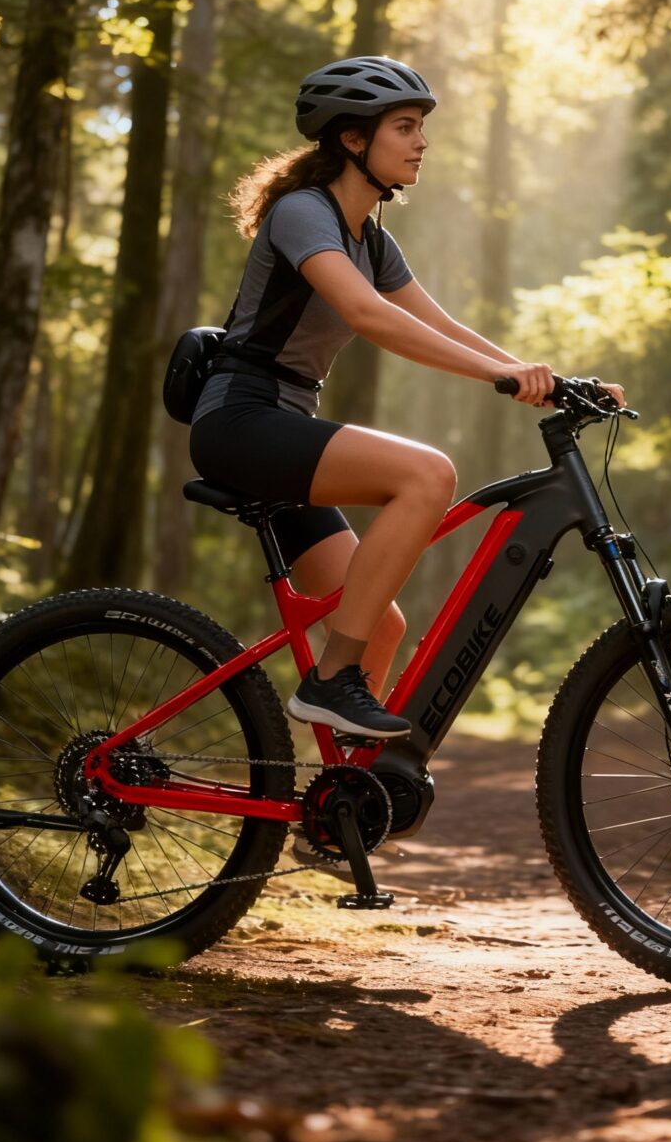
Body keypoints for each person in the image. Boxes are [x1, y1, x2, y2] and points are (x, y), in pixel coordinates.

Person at [190, 55, 626, 739]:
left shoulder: (372, 238)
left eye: (421, 126)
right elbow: (369, 316)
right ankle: (330, 682)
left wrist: (549, 380)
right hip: (241, 419)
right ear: (352, 139)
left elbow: (439, 324)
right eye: (404, 126)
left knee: (380, 626)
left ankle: (345, 810)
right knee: (426, 474)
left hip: (283, 426)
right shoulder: (304, 213)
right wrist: (500, 378)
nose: (421, 140)